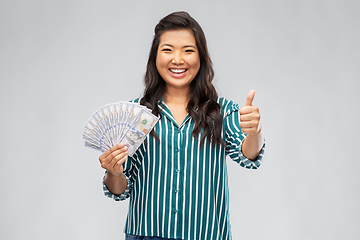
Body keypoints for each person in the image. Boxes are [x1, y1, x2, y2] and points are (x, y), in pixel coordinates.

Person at [99, 11, 265, 240]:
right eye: (168, 50)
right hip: (147, 235)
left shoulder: (221, 111)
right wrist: (113, 171)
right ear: (154, 57)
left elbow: (248, 155)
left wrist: (254, 132)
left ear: (201, 57)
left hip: (205, 235)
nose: (178, 59)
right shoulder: (134, 114)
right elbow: (118, 189)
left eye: (188, 50)